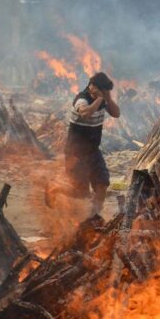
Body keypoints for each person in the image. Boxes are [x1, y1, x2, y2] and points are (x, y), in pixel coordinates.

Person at [46, 72, 120, 215]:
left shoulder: (103, 99)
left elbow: (116, 114)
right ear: (92, 86)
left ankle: (94, 217)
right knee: (81, 193)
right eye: (103, 91)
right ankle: (54, 187)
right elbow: (85, 113)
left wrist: (108, 98)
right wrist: (99, 99)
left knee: (102, 184)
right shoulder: (82, 99)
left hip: (93, 151)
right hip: (75, 153)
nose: (104, 94)